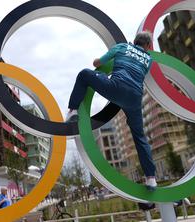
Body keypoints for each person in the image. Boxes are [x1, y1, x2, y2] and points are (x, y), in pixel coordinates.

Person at [66, 31, 157, 190]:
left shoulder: (122, 47)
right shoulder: (148, 59)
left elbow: (97, 63)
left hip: (115, 87)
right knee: (139, 136)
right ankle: (151, 178)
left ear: (134, 41)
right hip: (134, 98)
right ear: (148, 46)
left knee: (84, 74)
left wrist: (100, 62)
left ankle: (73, 111)